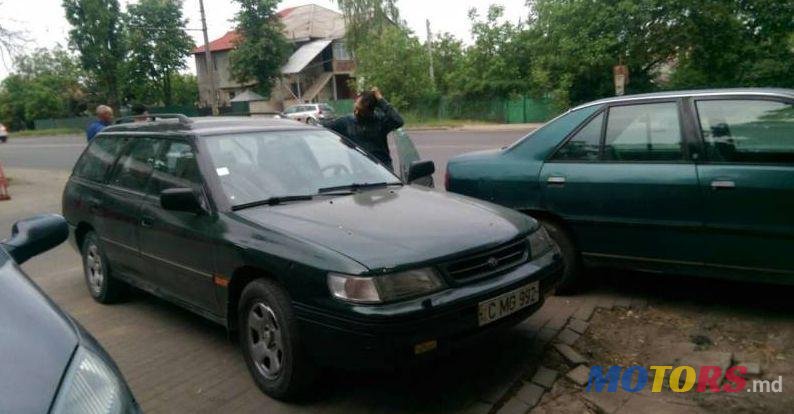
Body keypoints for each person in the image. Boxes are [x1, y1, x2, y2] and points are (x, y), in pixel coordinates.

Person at [324, 87, 404, 170]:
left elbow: (398, 121)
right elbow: (321, 128)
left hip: (383, 171)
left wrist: (380, 99)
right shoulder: (346, 122)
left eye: (360, 109)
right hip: (362, 174)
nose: (357, 111)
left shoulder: (381, 121)